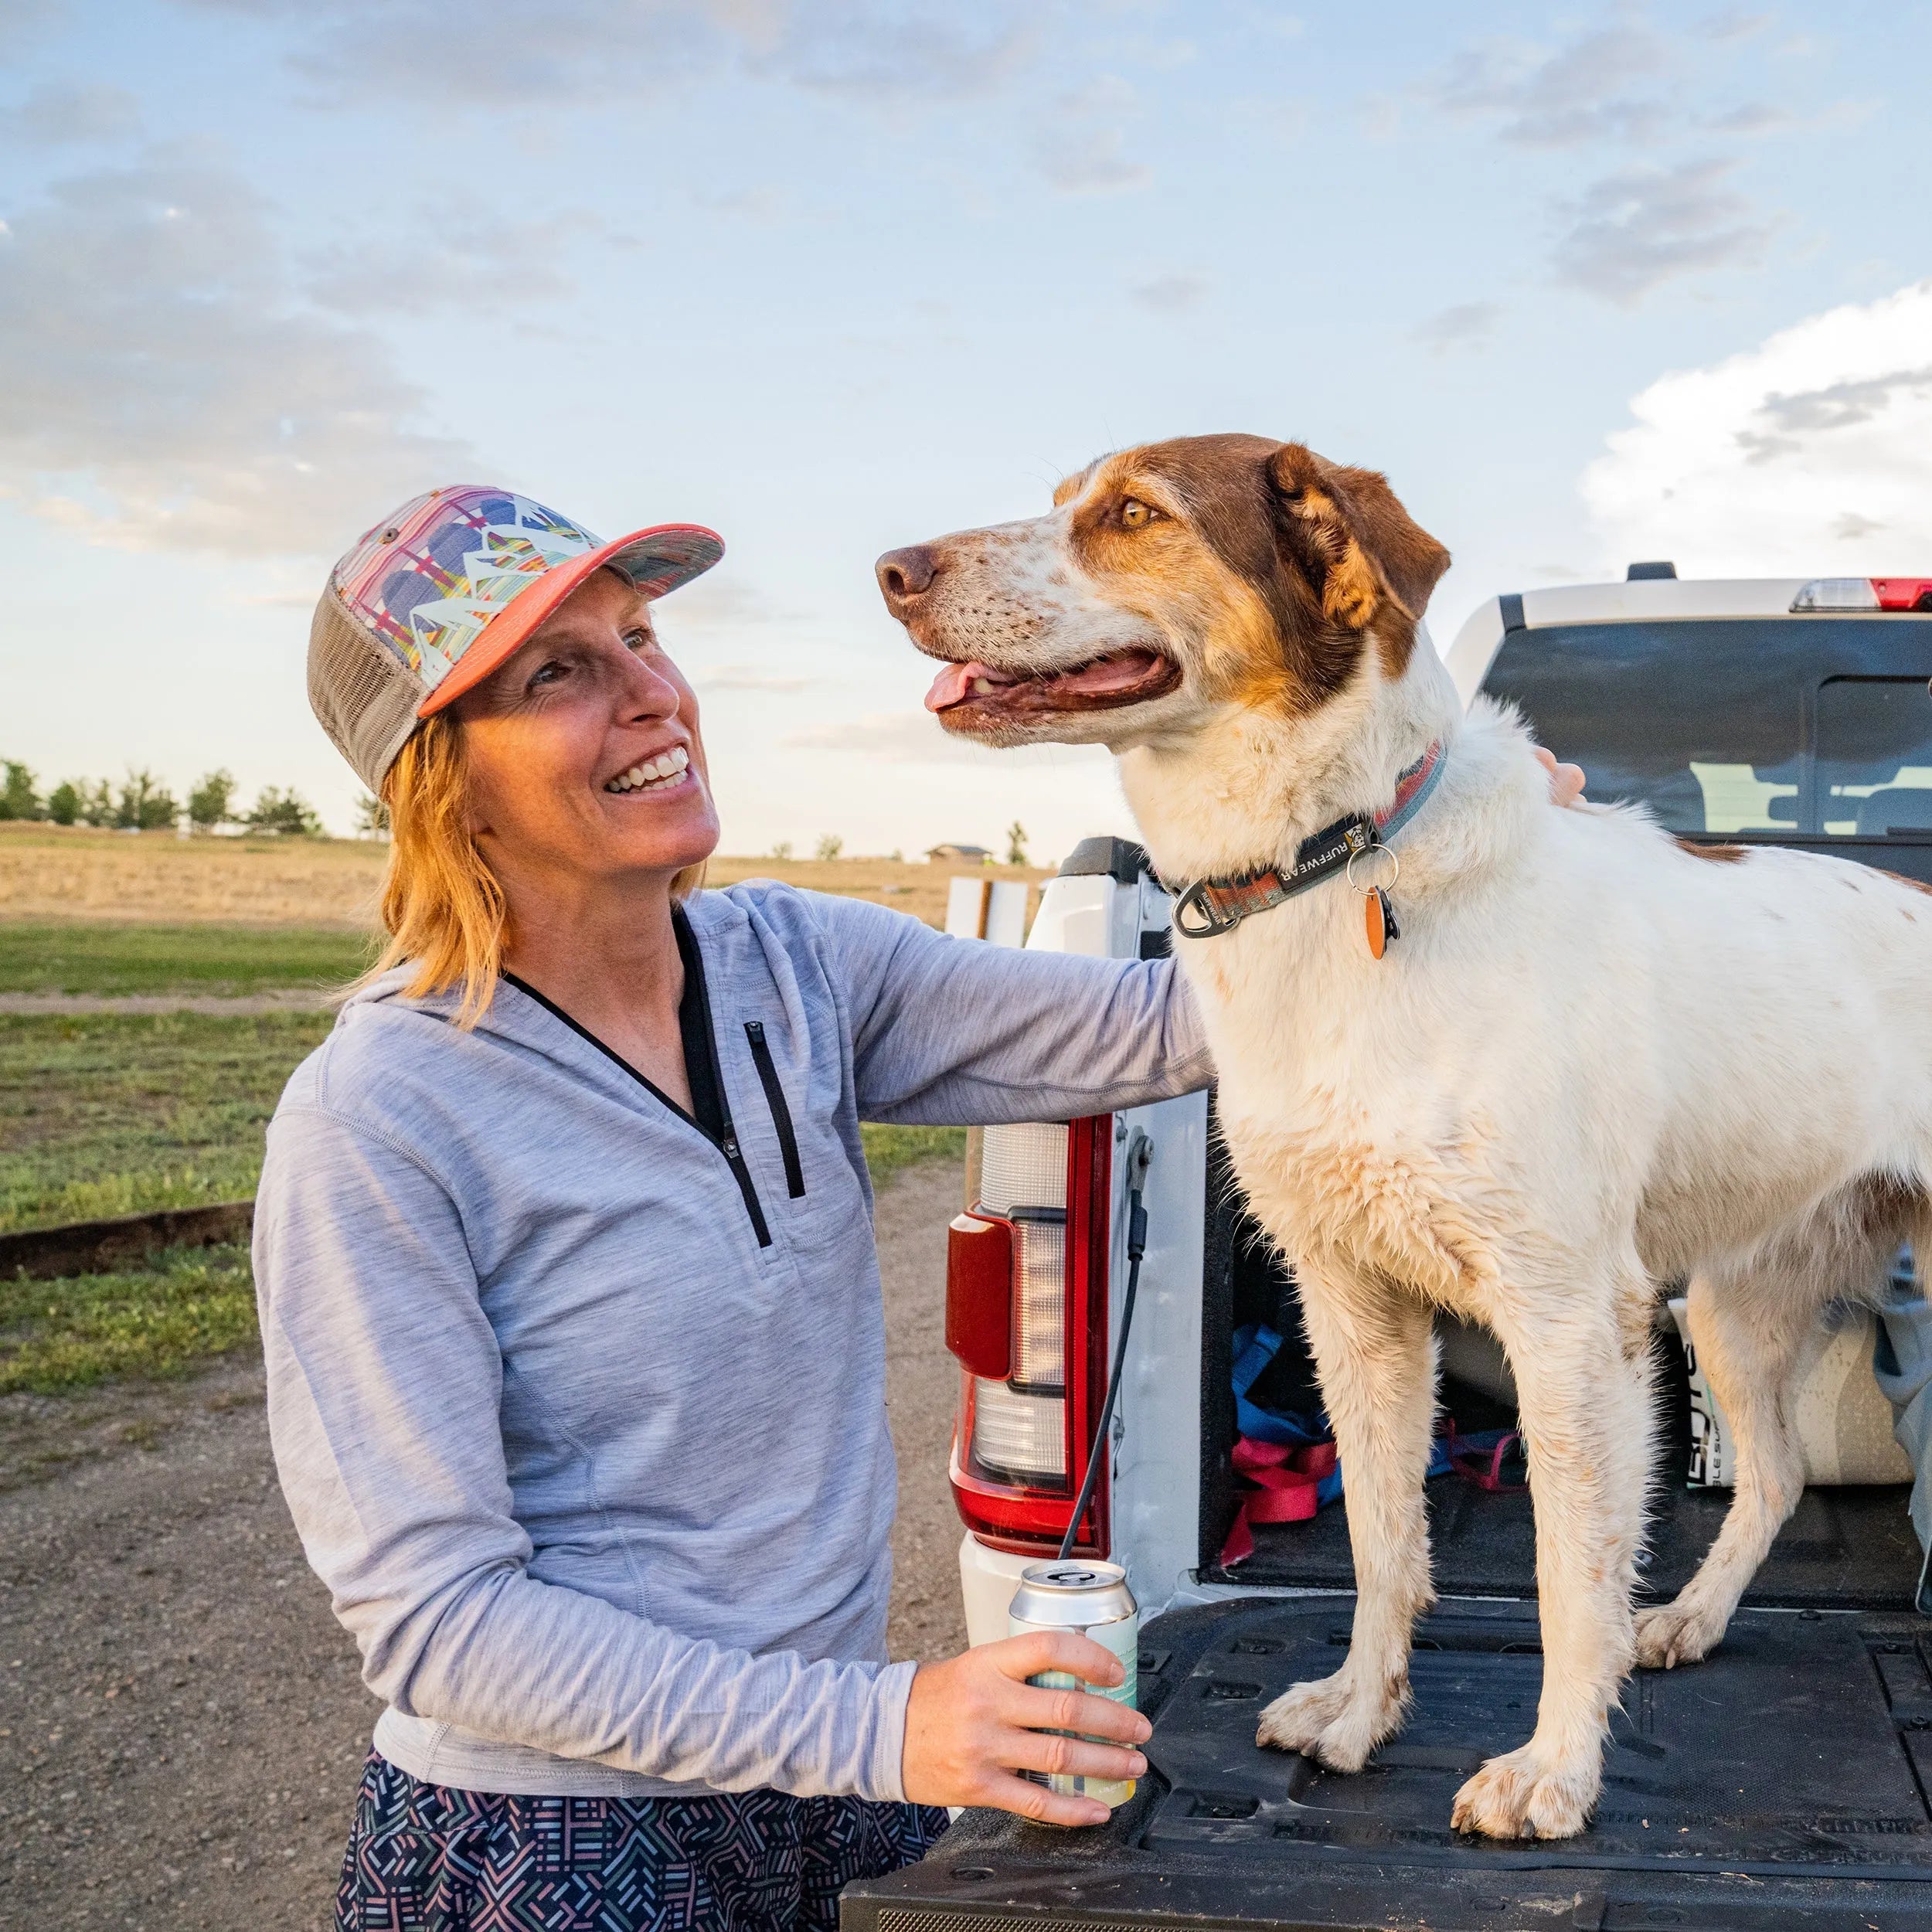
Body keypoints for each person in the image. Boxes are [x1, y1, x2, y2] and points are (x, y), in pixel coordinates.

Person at [261, 484, 1587, 1932]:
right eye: (558, 674)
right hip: (561, 1842)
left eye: (640, 637)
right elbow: (438, 1621)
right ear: (437, 777)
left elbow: (1174, 1025)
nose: (653, 693)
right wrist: (891, 1731)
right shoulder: (382, 1116)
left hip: (823, 1790)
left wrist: (1438, 849)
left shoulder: (791, 967)